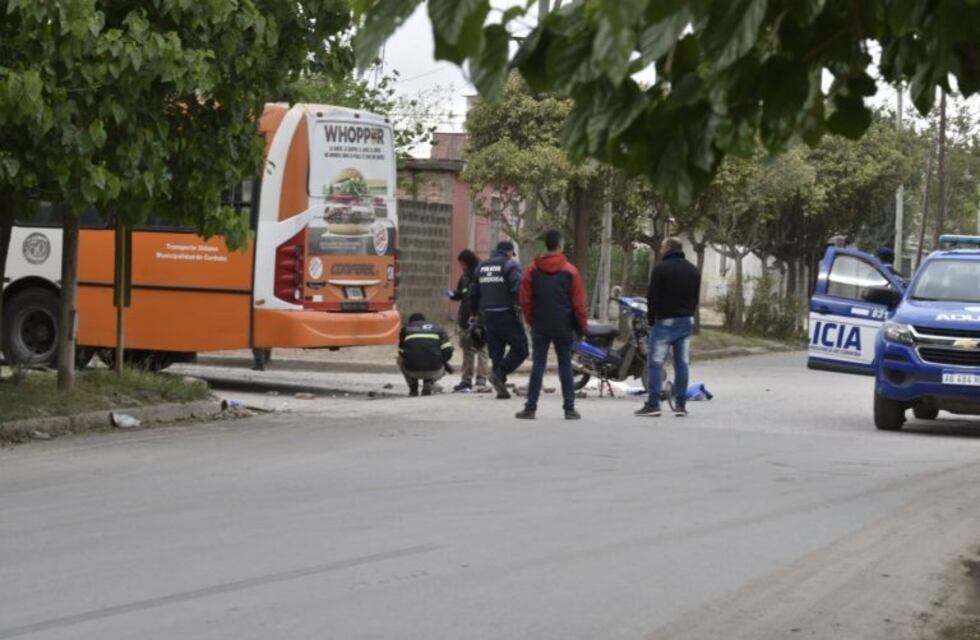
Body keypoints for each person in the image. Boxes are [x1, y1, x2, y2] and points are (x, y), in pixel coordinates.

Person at [515, 230, 587, 420]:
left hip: (540, 323)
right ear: (560, 245)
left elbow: (525, 300)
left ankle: (530, 408)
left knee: (538, 363)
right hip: (564, 325)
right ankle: (569, 408)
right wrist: (581, 326)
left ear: (545, 245)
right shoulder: (570, 271)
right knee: (565, 365)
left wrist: (532, 319)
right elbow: (578, 303)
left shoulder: (532, 269)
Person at [636, 237, 701, 418]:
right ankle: (681, 405)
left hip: (665, 322)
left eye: (663, 246)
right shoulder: (693, 271)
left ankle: (653, 403)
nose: (661, 249)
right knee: (682, 363)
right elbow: (695, 298)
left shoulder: (661, 270)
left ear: (668, 249)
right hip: (686, 321)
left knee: (655, 362)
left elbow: (652, 297)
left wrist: (651, 320)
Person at [470, 240, 528, 399]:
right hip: (507, 313)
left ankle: (500, 385)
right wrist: (521, 306)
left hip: (487, 316)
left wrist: (473, 313)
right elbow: (517, 288)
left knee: (497, 352)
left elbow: (473, 293)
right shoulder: (510, 265)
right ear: (509, 252)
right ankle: (499, 373)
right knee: (521, 349)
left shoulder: (481, 267)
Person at [447, 249, 488, 392]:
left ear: (467, 262)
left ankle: (481, 380)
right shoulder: (464, 277)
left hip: (480, 317)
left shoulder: (483, 273)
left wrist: (477, 315)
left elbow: (482, 296)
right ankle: (466, 380)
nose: (461, 267)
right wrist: (453, 295)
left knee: (481, 347)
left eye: (462, 264)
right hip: (465, 317)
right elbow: (462, 294)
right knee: (467, 349)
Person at [397, 312, 454, 397]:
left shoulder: (406, 329)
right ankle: (429, 382)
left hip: (411, 371)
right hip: (434, 371)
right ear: (424, 321)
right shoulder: (438, 328)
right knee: (441, 358)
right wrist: (443, 361)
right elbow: (448, 350)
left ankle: (413, 388)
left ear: (411, 322)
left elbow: (401, 352)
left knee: (399, 359)